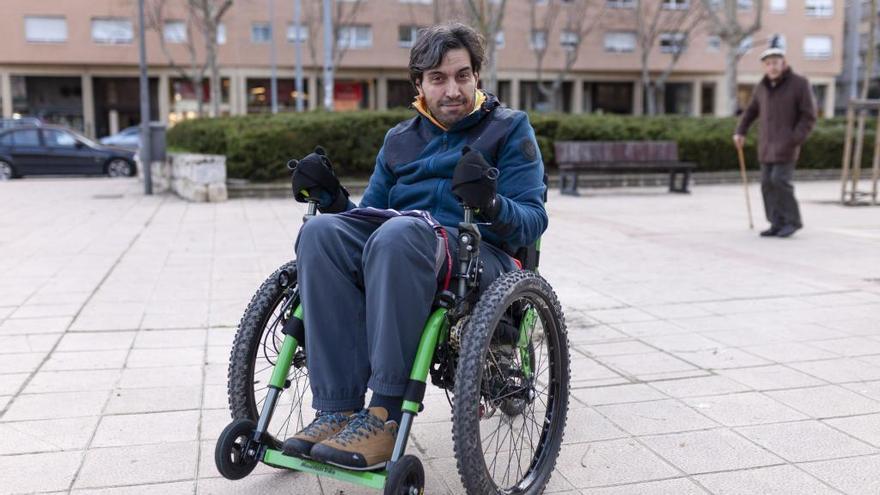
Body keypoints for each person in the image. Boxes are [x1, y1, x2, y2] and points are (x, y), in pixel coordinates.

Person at [282, 22, 548, 471]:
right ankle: (337, 409)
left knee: (398, 234)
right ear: (419, 84)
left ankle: (383, 414)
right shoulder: (399, 140)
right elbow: (370, 217)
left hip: (478, 257)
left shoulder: (509, 129)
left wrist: (492, 201)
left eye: (462, 75)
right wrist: (332, 201)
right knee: (320, 235)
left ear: (477, 76)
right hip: (401, 246)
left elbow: (533, 219)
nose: (453, 90)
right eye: (438, 78)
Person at [733, 38, 817, 238]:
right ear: (764, 66)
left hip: (787, 146)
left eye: (776, 62)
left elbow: (809, 116)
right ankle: (776, 223)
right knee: (767, 184)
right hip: (766, 146)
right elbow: (751, 112)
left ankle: (792, 221)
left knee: (780, 181)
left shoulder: (799, 84)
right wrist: (740, 131)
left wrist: (794, 138)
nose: (772, 66)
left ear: (783, 63)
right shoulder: (761, 87)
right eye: (768, 63)